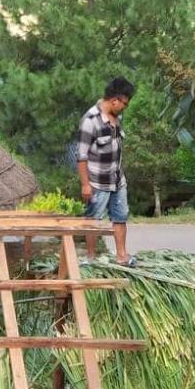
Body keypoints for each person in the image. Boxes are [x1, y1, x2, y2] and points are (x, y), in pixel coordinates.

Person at [77, 76, 135, 265]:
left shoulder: (118, 118)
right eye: (124, 104)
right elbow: (81, 156)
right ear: (114, 100)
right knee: (93, 220)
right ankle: (91, 258)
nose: (125, 108)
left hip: (118, 179)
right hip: (97, 182)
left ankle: (121, 256)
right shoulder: (90, 120)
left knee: (120, 217)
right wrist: (85, 185)